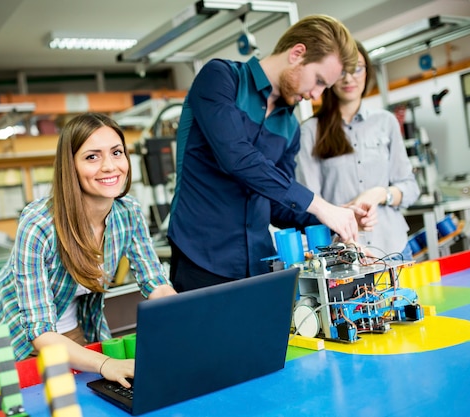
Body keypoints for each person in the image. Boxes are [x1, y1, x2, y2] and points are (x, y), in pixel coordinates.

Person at [167, 14, 375, 292]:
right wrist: (320, 205)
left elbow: (279, 205)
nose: (317, 95)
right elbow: (236, 157)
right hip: (201, 259)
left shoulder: (289, 125)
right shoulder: (221, 78)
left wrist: (336, 218)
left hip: (259, 264)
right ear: (297, 53)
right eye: (319, 81)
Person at [0, 113, 176, 388]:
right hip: (13, 333)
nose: (109, 166)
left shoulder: (128, 212)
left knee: (86, 395)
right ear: (70, 166)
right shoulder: (39, 225)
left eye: (117, 152)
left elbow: (156, 283)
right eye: (92, 157)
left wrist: (184, 323)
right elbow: (40, 332)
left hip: (71, 321)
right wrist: (106, 364)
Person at [296, 41, 420, 260]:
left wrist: (381, 193)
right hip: (344, 255)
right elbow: (308, 202)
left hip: (395, 249)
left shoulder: (386, 122)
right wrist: (344, 215)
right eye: (342, 70)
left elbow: (410, 187)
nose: (349, 77)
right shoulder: (310, 131)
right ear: (330, 75)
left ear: (367, 71)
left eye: (357, 68)